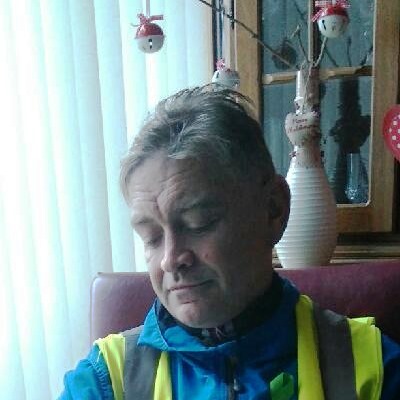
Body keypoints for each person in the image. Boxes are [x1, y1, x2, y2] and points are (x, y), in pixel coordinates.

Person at [60, 86, 400, 399]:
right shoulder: (105, 379)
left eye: (199, 223)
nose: (170, 259)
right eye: (152, 237)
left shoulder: (372, 367)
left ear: (273, 209)